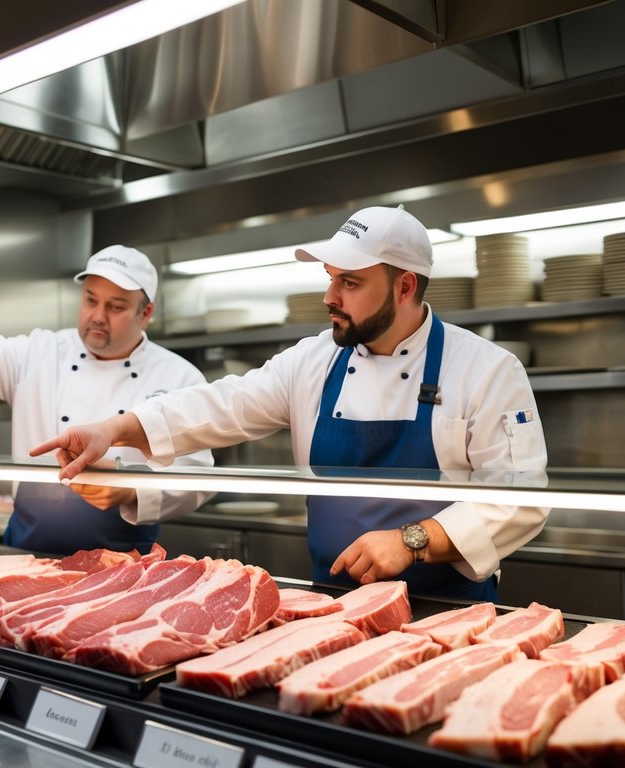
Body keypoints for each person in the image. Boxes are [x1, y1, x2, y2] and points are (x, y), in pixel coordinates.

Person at [31, 206, 548, 600]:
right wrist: (115, 429)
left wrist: (415, 540)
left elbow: (522, 499)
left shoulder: (488, 370)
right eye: (330, 278)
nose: (330, 296)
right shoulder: (313, 360)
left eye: (349, 282)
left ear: (405, 285)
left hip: (447, 610)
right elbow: (224, 405)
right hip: (334, 602)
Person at [0, 245, 213, 556]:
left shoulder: (179, 377)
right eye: (90, 300)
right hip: (28, 554)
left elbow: (196, 475)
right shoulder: (40, 351)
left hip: (123, 564)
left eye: (116, 307)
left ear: (145, 314)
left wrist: (132, 490)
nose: (98, 316)